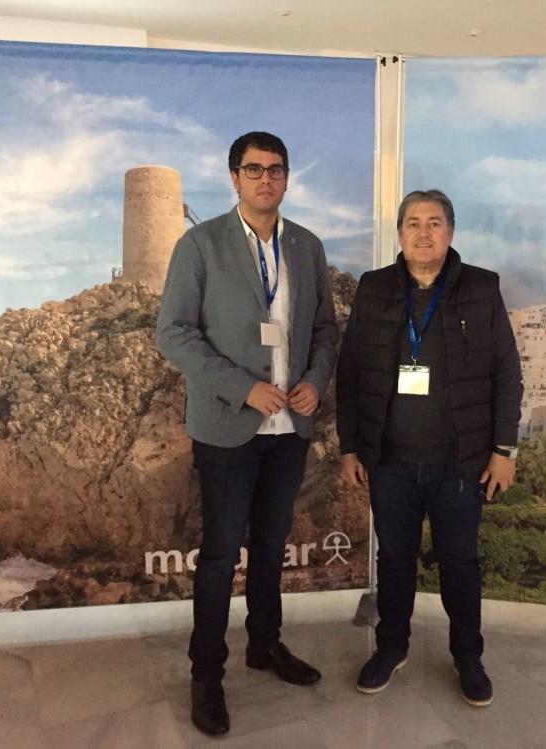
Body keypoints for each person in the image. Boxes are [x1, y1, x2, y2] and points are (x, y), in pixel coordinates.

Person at [156, 131, 338, 736]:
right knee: (218, 555)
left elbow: (324, 330)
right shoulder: (200, 244)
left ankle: (265, 644)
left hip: (290, 428)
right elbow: (174, 334)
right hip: (228, 426)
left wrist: (314, 380)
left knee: (271, 545)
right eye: (254, 169)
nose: (266, 179)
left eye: (276, 169)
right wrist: (242, 388)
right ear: (234, 177)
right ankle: (207, 674)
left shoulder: (307, 246)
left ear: (286, 177)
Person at [336, 188, 523, 707]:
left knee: (460, 565)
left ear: (450, 232)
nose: (423, 232)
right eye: (413, 223)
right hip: (390, 462)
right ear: (400, 233)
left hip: (460, 465)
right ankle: (390, 647)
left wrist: (503, 451)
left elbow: (507, 373)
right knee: (395, 561)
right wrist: (349, 448)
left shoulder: (481, 288)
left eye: (434, 222)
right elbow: (349, 373)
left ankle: (468, 658)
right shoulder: (374, 288)